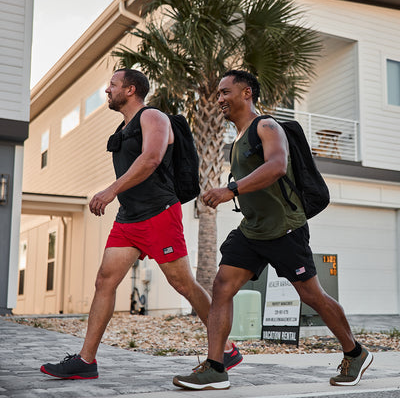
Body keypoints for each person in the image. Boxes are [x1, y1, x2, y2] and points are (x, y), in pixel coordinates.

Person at [173, 70, 373, 390]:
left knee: (312, 296)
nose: (220, 98)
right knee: (222, 285)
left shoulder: (266, 126)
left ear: (247, 93)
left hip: (285, 229)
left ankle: (355, 352)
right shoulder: (237, 139)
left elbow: (277, 165)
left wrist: (231, 190)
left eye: (226, 92)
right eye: (219, 94)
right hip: (252, 230)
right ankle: (215, 367)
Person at [40, 68, 242, 380]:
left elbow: (151, 159)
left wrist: (110, 191)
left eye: (113, 85)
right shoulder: (123, 128)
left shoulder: (153, 118)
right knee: (104, 281)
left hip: (159, 212)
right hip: (129, 218)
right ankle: (86, 360)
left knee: (183, 283)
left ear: (131, 90)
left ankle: (226, 349)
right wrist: (117, 197)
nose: (108, 91)